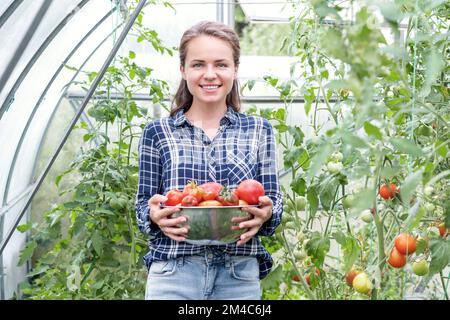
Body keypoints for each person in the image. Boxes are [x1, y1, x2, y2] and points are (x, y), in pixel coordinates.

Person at [135, 20, 283, 300]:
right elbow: (143, 203)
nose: (210, 74)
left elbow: (273, 198)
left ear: (235, 70)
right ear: (183, 70)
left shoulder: (259, 130)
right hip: (173, 274)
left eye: (221, 64)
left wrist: (267, 213)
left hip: (238, 275)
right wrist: (153, 214)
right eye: (198, 64)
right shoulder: (157, 132)